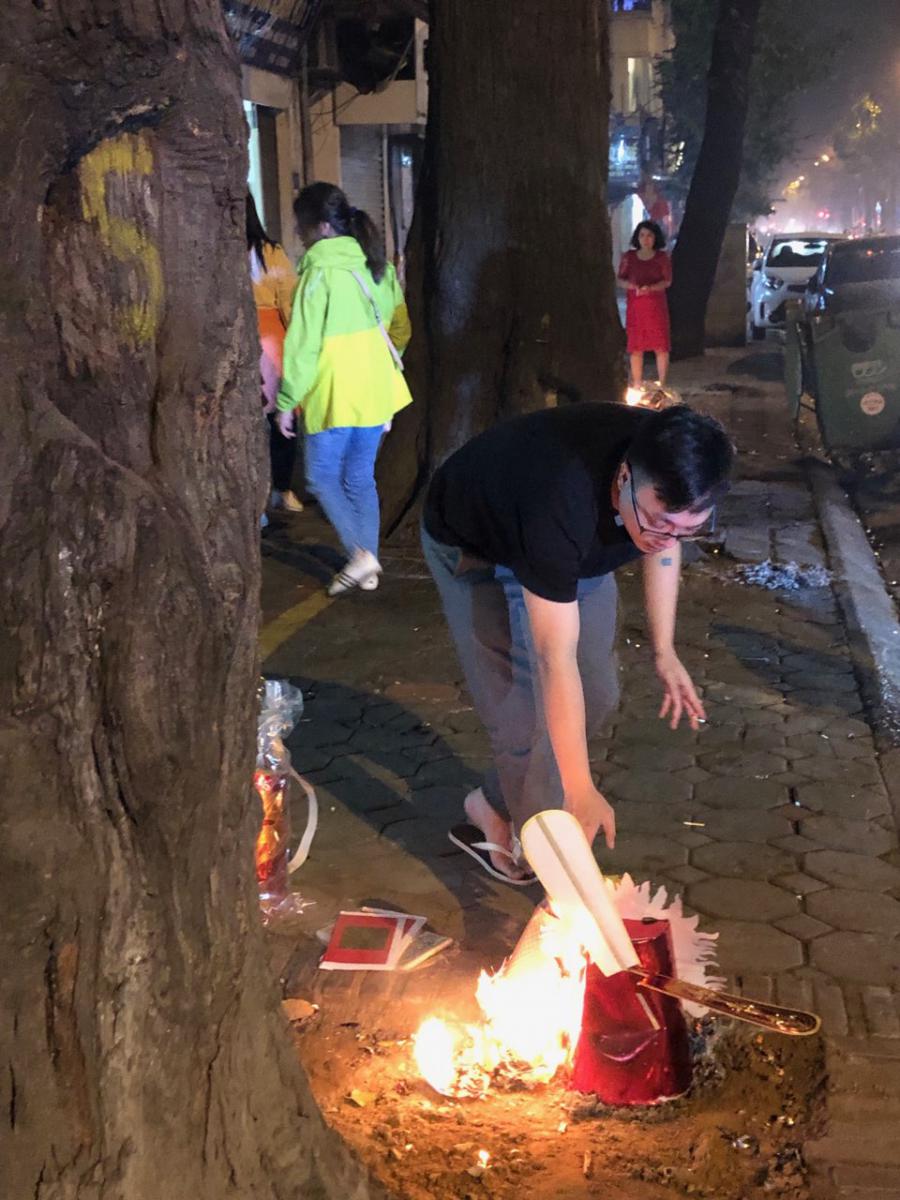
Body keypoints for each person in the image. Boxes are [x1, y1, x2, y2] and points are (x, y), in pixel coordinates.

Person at [422, 402, 733, 884]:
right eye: (657, 522)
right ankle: (561, 882)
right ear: (625, 476)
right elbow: (554, 657)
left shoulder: (672, 466)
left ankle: (489, 803)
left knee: (597, 693)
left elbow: (666, 545)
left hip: (571, 554)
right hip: (475, 548)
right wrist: (579, 789)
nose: (666, 538)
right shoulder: (559, 495)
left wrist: (665, 650)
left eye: (687, 529)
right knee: (523, 718)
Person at [277, 182, 412, 595]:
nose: (297, 233)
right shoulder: (377, 267)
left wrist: (287, 401)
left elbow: (303, 346)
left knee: (320, 477)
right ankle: (367, 567)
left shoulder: (318, 274)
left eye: (301, 226)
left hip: (334, 392)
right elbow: (401, 327)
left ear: (321, 227)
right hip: (377, 390)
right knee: (359, 478)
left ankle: (359, 555)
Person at [247, 193, 303, 514]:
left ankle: (264, 494)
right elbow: (289, 302)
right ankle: (280, 488)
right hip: (271, 339)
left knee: (255, 420)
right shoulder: (271, 253)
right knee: (281, 414)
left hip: (243, 337)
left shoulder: (213, 250)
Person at [618, 220, 672, 392]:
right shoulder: (629, 258)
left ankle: (662, 384)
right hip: (636, 307)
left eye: (649, 235)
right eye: (642, 235)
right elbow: (620, 279)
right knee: (636, 347)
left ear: (655, 238)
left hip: (656, 306)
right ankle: (637, 383)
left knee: (660, 346)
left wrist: (651, 288)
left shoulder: (662, 258)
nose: (645, 239)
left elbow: (667, 280)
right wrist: (632, 286)